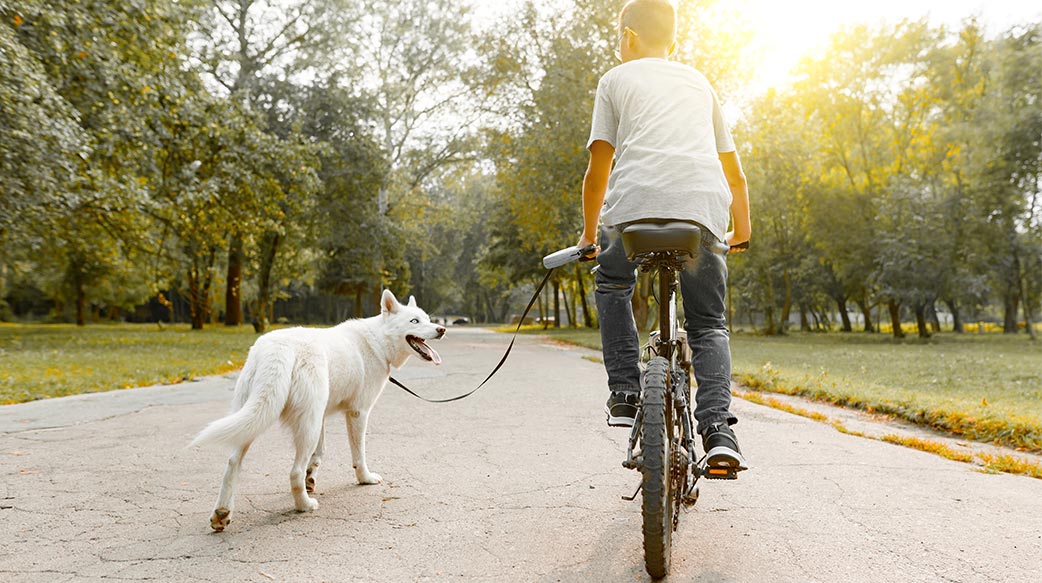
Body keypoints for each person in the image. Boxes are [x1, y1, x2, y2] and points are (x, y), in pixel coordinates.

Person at [575, 0, 750, 471]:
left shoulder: (614, 79)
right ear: (671, 41)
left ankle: (626, 394)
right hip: (702, 212)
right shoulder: (698, 81)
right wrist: (742, 231)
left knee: (612, 283)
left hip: (630, 212)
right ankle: (718, 430)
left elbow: (598, 169)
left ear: (628, 36)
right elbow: (734, 172)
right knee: (708, 323)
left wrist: (590, 237)